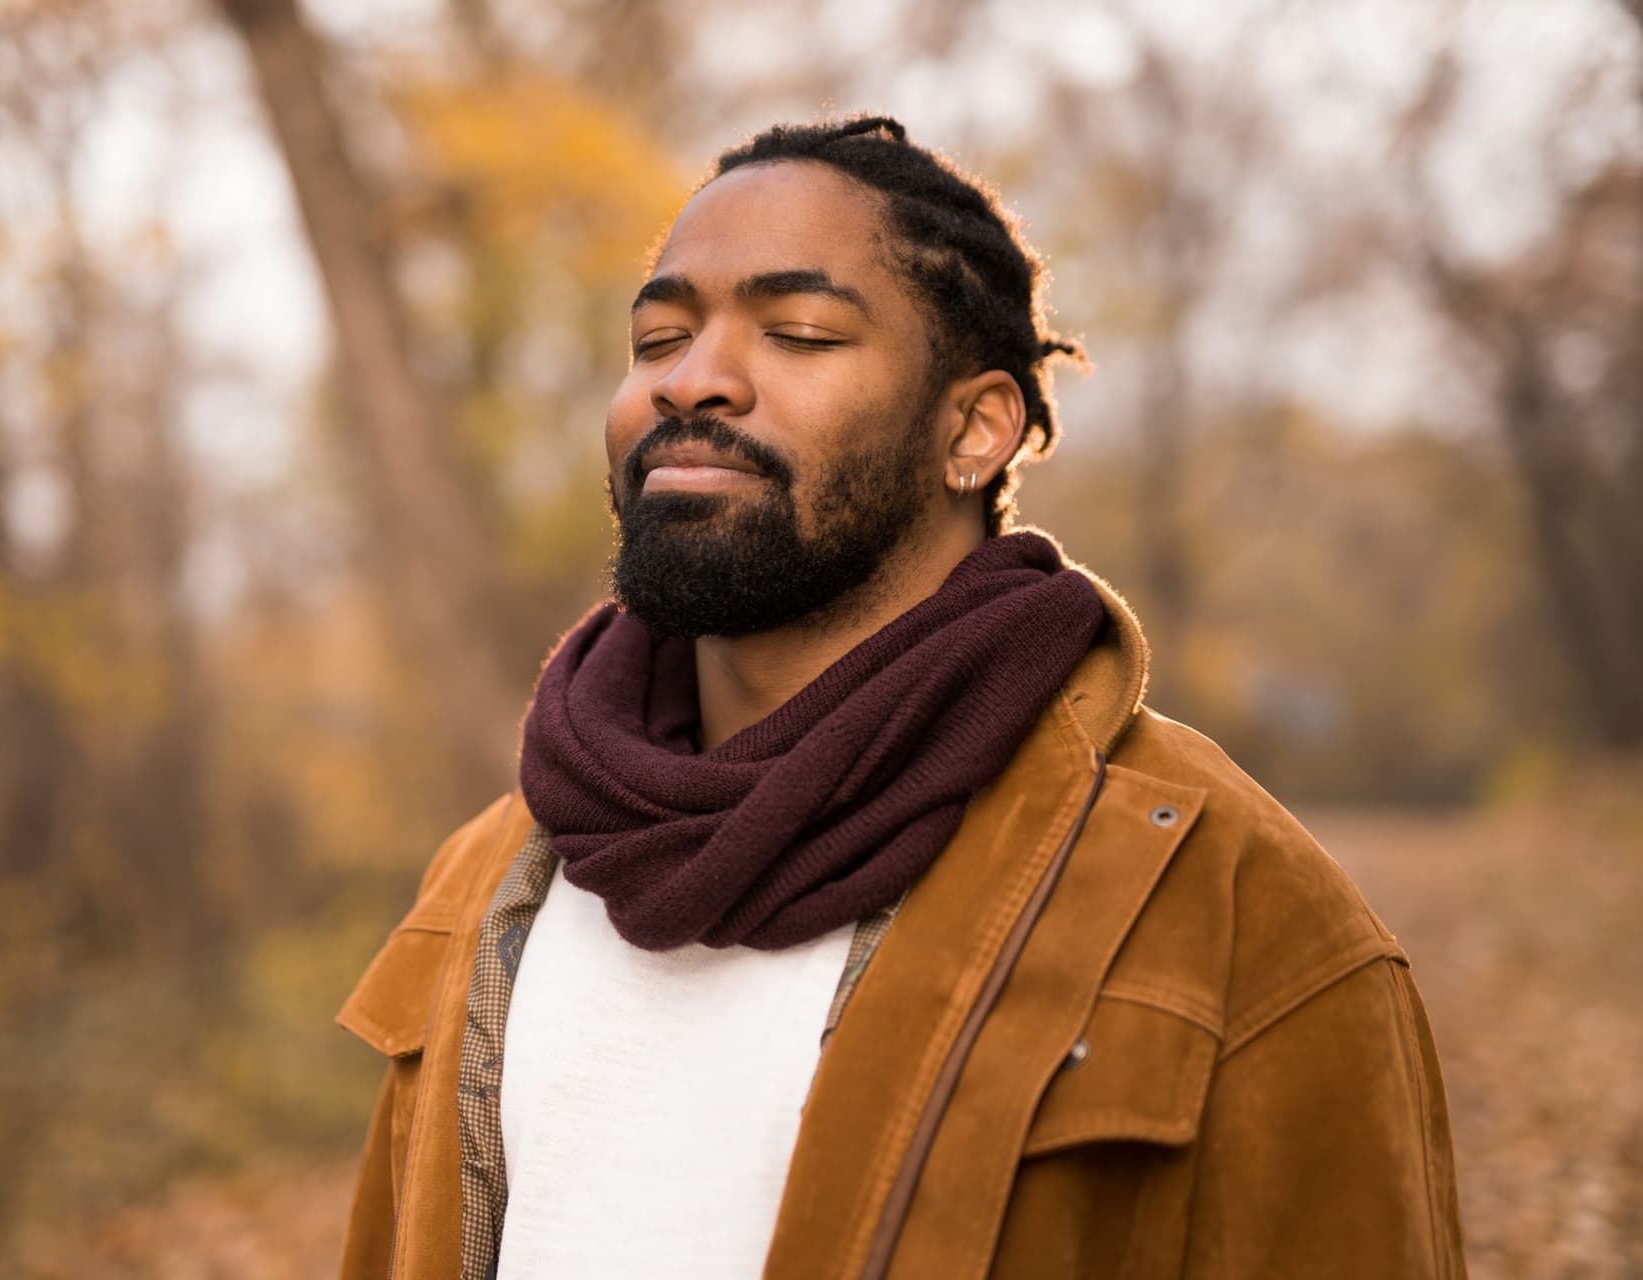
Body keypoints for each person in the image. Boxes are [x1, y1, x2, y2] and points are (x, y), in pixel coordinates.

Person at [332, 116, 1466, 1280]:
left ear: (974, 428)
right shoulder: (492, 876)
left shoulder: (1228, 903)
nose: (692, 381)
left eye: (800, 333)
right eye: (657, 336)